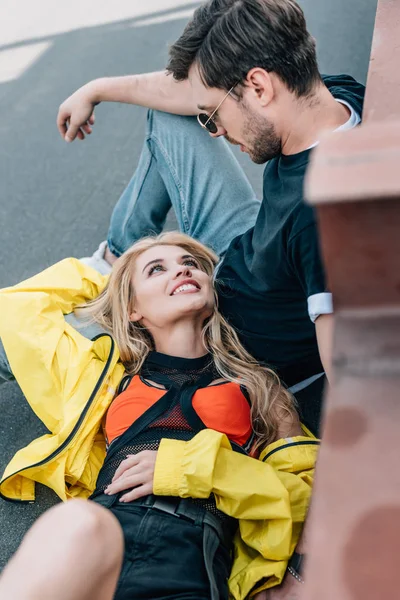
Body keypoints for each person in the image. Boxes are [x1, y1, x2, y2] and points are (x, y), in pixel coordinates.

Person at [56, 0, 365, 435]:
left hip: (218, 325)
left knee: (30, 336)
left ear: (258, 86)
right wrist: (96, 88)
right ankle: (118, 255)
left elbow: (353, 378)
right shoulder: (339, 98)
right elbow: (184, 94)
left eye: (215, 115)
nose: (214, 130)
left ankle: (125, 277)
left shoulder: (322, 221)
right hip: (250, 246)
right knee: (170, 117)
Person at [0, 233, 318, 600]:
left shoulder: (258, 389)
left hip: (193, 551)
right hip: (101, 535)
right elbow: (16, 308)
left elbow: (308, 500)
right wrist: (108, 278)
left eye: (191, 264)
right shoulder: (102, 380)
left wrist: (190, 468)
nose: (182, 271)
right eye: (157, 269)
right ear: (133, 308)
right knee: (76, 523)